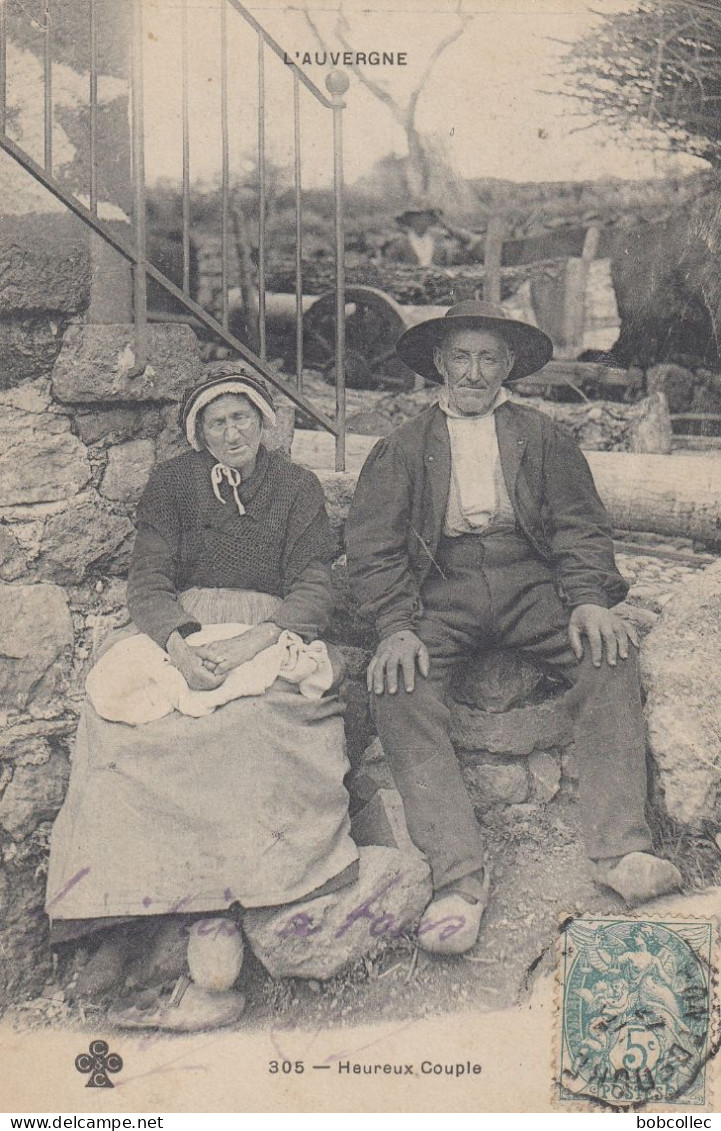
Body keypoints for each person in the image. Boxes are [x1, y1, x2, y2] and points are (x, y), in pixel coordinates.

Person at [345, 300, 682, 957]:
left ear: (507, 367)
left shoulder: (542, 436)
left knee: (608, 653)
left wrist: (587, 598)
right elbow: (373, 548)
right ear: (440, 363)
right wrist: (393, 624)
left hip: (530, 584)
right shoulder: (401, 447)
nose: (474, 372)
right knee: (396, 686)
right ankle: (458, 881)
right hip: (440, 591)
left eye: (488, 359)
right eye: (462, 357)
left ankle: (620, 850)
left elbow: (580, 527)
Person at [45, 362, 358, 1030]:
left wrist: (255, 642)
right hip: (183, 630)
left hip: (265, 628)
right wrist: (180, 646)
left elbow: (313, 586)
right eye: (216, 422)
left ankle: (234, 909)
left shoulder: (296, 487)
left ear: (263, 421)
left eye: (241, 416)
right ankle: (124, 918)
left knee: (255, 723)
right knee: (121, 727)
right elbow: (148, 580)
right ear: (199, 433)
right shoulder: (173, 485)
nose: (231, 430)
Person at [383, 201, 483, 267]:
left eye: (427, 217)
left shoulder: (438, 241)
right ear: (410, 220)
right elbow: (389, 268)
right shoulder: (399, 244)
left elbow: (472, 243)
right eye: (419, 217)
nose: (423, 221)